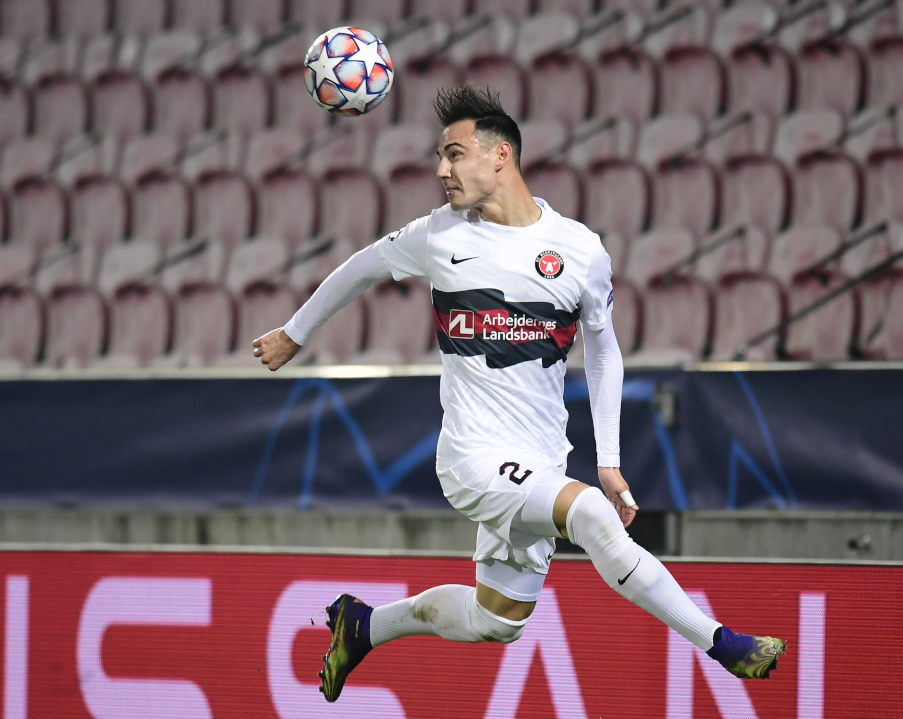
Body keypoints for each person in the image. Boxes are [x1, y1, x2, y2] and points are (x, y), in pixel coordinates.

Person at [252, 86, 786, 703]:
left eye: (455, 154)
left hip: (540, 459)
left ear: (500, 155)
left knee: (497, 620)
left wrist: (609, 459)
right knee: (590, 515)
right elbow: (360, 268)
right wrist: (294, 333)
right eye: (439, 156)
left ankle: (365, 626)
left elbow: (604, 351)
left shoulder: (579, 250)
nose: (440, 170)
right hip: (473, 459)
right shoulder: (439, 236)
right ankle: (724, 645)